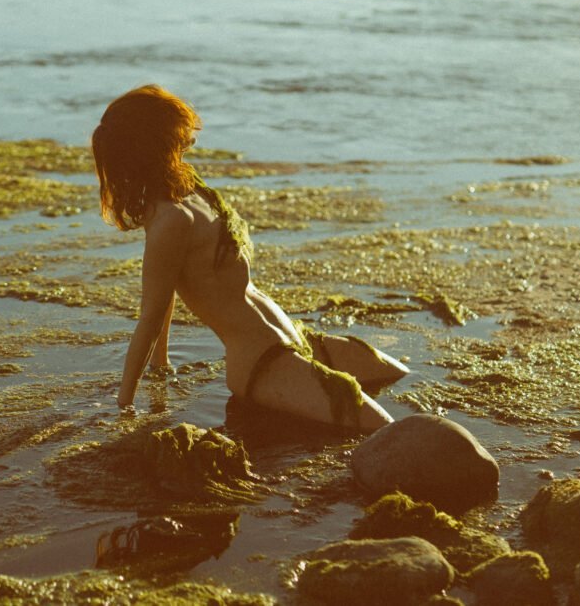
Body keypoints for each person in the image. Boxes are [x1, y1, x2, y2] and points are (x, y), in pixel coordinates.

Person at [91, 84, 408, 432]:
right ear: (154, 143)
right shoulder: (170, 221)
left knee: (398, 374)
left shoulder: (191, 190)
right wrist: (126, 404)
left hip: (295, 338)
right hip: (263, 363)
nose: (190, 137)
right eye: (177, 131)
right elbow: (152, 313)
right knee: (383, 427)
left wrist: (161, 364)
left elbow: (167, 290)